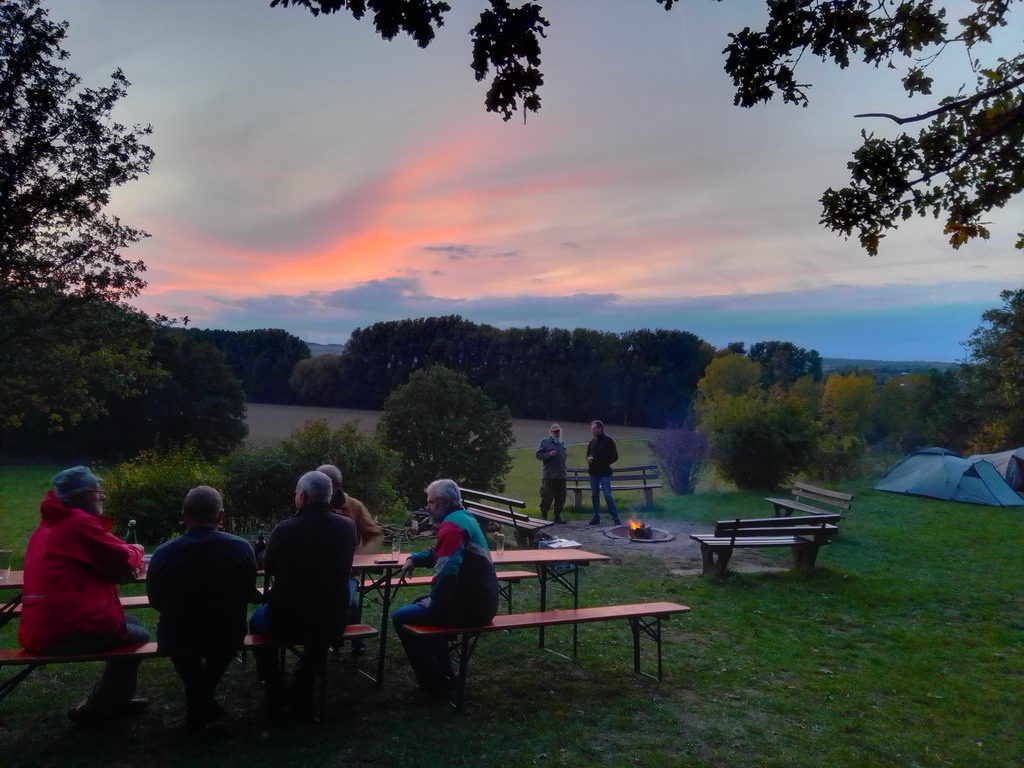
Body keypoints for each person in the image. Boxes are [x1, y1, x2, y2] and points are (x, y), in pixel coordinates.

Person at [19, 466, 149, 722]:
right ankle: (101, 706)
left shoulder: (54, 523)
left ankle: (113, 699)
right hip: (62, 631)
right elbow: (122, 557)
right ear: (81, 496)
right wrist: (137, 549)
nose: (102, 497)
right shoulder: (78, 524)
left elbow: (104, 557)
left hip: (42, 625)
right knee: (138, 635)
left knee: (130, 623)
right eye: (97, 492)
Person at [146, 486, 257, 728]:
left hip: (178, 635)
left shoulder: (164, 553)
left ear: (184, 515)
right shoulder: (240, 547)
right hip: (227, 634)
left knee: (181, 644)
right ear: (220, 516)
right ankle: (202, 698)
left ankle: (197, 699)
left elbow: (155, 602)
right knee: (225, 642)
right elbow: (248, 594)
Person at [249, 471, 356, 714]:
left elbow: (270, 566)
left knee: (255, 622)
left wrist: (263, 552)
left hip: (287, 620)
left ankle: (275, 688)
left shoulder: (286, 529)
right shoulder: (347, 527)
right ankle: (303, 682)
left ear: (303, 496)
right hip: (335, 619)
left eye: (297, 494)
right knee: (320, 626)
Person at [392, 479, 498, 696]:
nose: (428, 506)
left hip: (472, 608)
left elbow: (448, 569)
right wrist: (415, 558)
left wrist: (435, 601)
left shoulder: (452, 525)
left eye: (431, 502)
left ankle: (432, 684)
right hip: (482, 601)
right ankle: (445, 674)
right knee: (419, 608)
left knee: (401, 617)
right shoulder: (463, 517)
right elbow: (442, 551)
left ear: (445, 501)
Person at [316, 463, 383, 653]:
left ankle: (355, 639)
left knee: (346, 600)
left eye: (324, 482)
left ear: (337, 484)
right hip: (317, 571)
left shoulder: (354, 506)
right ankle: (329, 637)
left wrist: (358, 559)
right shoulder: (311, 503)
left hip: (346, 572)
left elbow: (375, 534)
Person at [586, 420, 621, 526]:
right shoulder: (592, 442)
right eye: (591, 429)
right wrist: (588, 458)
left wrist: (604, 463)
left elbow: (615, 456)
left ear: (600, 429)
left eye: (594, 429)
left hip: (605, 473)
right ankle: (596, 517)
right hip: (593, 473)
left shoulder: (609, 441)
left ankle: (616, 518)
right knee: (595, 495)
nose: (592, 431)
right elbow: (587, 454)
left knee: (608, 496)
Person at [535, 423, 568, 523]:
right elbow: (538, 455)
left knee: (561, 497)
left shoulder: (562, 444)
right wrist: (549, 454)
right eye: (555, 431)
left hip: (561, 475)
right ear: (551, 432)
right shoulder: (545, 442)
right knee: (547, 496)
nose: (557, 433)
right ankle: (544, 517)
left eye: (558, 431)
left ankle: (557, 517)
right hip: (549, 476)